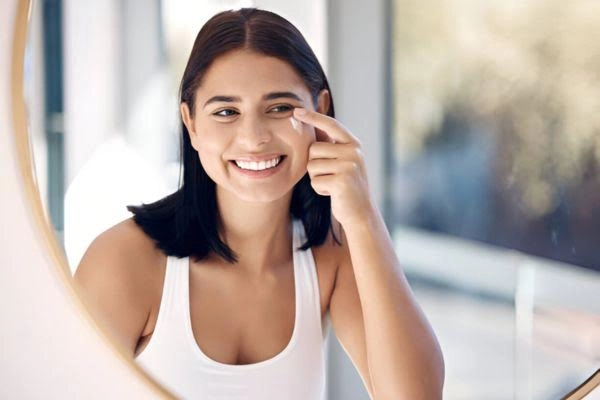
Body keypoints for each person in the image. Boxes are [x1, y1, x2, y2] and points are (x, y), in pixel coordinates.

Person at [73, 8, 444, 400]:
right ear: (191, 123)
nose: (254, 138)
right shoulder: (123, 261)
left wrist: (364, 218)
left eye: (280, 108)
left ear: (319, 109)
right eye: (226, 112)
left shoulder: (331, 254)